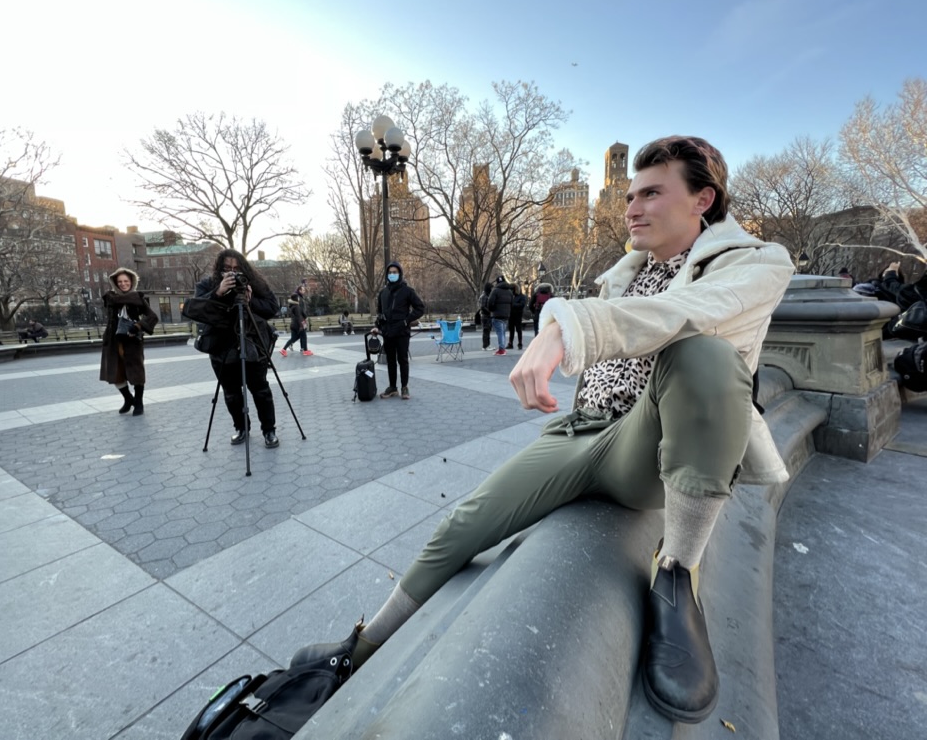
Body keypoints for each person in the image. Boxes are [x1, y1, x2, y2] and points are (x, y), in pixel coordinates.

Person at [293, 136, 795, 725]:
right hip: (579, 432)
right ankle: (363, 647)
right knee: (463, 524)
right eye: (629, 193)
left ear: (702, 199)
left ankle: (679, 573)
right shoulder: (625, 274)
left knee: (705, 355)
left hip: (647, 441)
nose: (632, 207)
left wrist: (562, 326)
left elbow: (683, 316)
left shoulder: (757, 264)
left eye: (652, 193)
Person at [195, 250, 281, 448]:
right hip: (221, 347)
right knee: (231, 393)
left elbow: (272, 308)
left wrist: (250, 300)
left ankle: (269, 430)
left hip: (252, 343)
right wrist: (218, 293)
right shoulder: (207, 285)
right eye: (226, 269)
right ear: (219, 269)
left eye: (236, 269)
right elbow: (197, 310)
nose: (231, 273)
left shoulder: (253, 284)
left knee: (260, 390)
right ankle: (241, 428)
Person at [99, 268, 159, 416]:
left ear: (132, 281)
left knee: (136, 372)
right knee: (115, 372)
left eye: (126, 281)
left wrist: (138, 326)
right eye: (119, 282)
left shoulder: (137, 298)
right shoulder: (111, 298)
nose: (123, 284)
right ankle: (128, 399)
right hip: (113, 341)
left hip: (132, 341)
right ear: (115, 283)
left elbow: (152, 316)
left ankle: (138, 403)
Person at [372, 261, 425, 400]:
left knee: (402, 360)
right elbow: (379, 313)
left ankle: (404, 387)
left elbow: (420, 308)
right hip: (388, 332)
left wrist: (407, 320)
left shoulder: (407, 291)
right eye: (390, 272)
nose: (392, 274)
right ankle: (392, 387)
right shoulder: (383, 293)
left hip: (402, 332)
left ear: (400, 273)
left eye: (395, 272)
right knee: (390, 361)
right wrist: (377, 326)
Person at [280, 283, 313, 357]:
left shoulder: (293, 306)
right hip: (298, 324)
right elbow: (299, 316)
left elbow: (300, 314)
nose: (299, 298)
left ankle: (283, 349)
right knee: (304, 336)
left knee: (294, 338)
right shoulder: (297, 306)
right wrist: (302, 325)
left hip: (293, 324)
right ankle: (305, 350)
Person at [487, 275, 514, 356]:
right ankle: (503, 348)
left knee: (500, 333)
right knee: (503, 332)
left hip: (497, 314)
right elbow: (512, 303)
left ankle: (501, 349)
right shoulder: (509, 291)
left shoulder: (495, 290)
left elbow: (490, 302)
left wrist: (492, 310)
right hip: (506, 315)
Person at [507, 284, 527, 350]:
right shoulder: (511, 296)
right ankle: (510, 343)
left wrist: (513, 304)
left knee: (518, 330)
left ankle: (520, 343)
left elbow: (522, 305)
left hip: (518, 315)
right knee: (511, 330)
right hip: (511, 315)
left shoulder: (522, 296)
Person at [478, 282, 493, 351]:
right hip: (485, 316)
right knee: (486, 330)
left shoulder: (486, 295)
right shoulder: (484, 296)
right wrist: (489, 312)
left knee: (487, 330)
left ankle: (487, 345)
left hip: (487, 315)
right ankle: (485, 345)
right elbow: (483, 306)